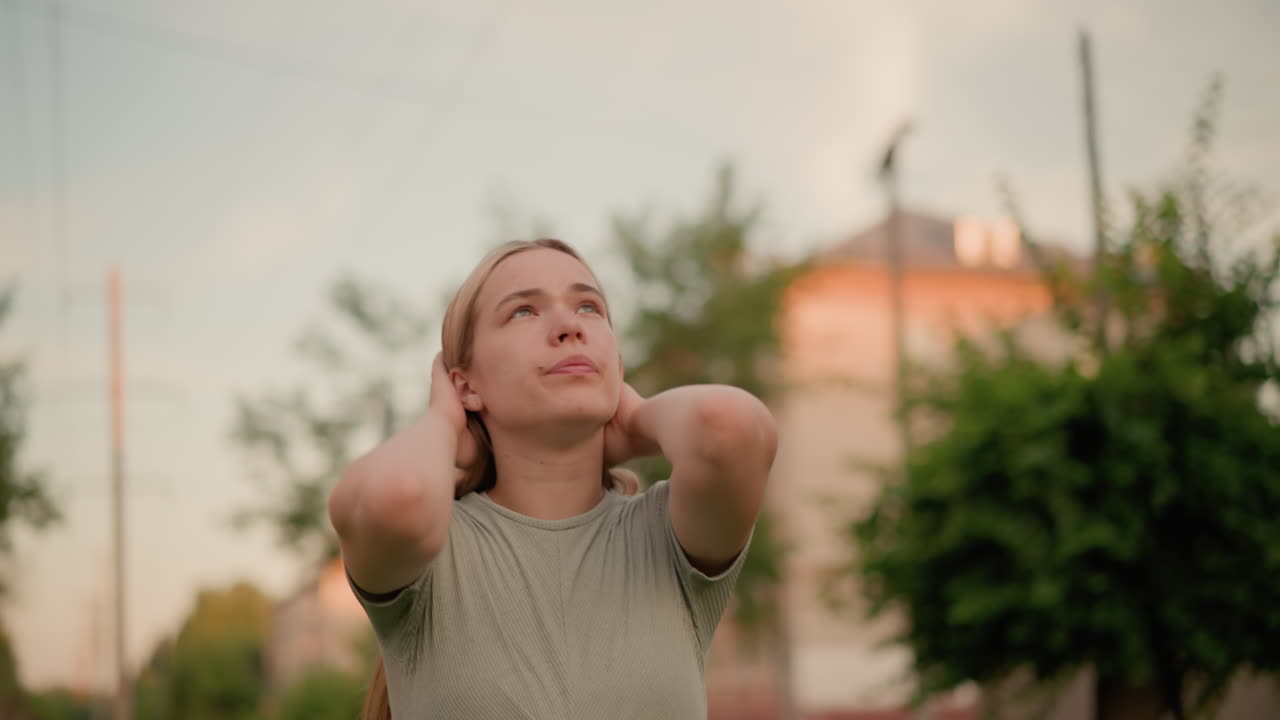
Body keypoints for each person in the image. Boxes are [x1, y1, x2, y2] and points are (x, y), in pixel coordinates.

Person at [328, 238, 777, 719]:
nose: (569, 327)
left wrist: (637, 420)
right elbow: (400, 496)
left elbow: (730, 429)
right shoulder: (433, 556)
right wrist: (443, 421)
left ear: (617, 370)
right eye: (523, 311)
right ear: (466, 384)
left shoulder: (665, 541)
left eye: (589, 307)